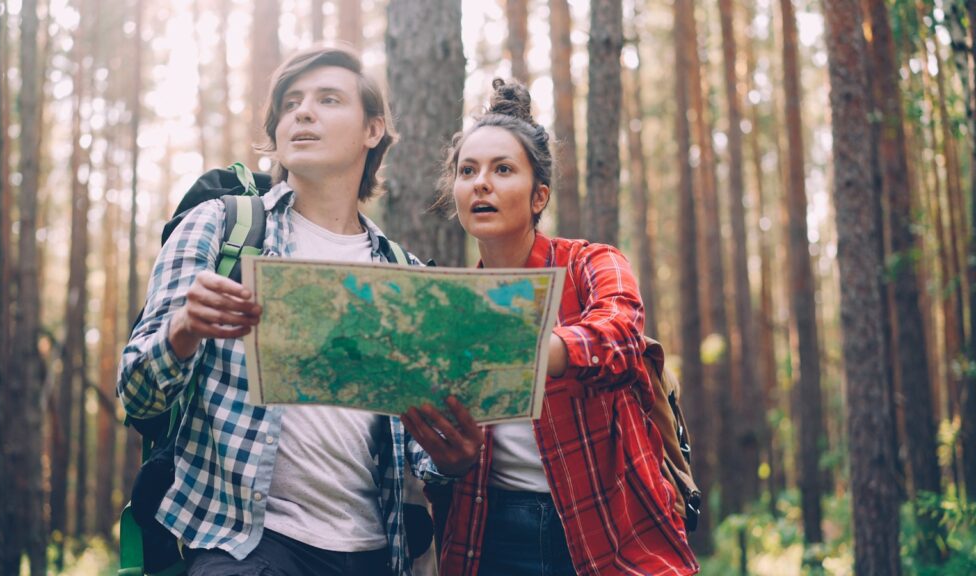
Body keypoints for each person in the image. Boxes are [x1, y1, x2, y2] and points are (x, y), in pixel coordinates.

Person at [117, 45, 483, 576]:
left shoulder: (403, 273)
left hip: (377, 554)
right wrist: (182, 330)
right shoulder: (219, 227)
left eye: (328, 99)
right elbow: (136, 392)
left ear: (372, 130)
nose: (303, 113)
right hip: (241, 546)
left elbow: (417, 452)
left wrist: (453, 461)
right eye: (290, 104)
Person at [433, 79, 700, 576]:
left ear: (539, 197)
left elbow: (620, 332)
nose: (480, 183)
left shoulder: (590, 263)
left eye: (502, 169)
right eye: (467, 171)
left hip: (614, 523)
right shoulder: (447, 304)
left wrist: (540, 349)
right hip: (489, 532)